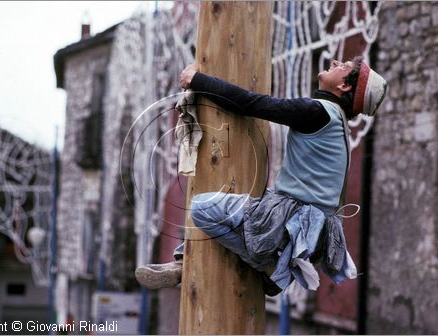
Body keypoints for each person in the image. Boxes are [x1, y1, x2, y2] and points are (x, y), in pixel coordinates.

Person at [135, 56, 387, 296]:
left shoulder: (317, 112)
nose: (335, 62)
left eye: (342, 66)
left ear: (343, 85)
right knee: (235, 211)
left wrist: (197, 79)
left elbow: (250, 104)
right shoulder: (336, 121)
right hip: (310, 226)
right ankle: (183, 260)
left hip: (292, 218)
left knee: (201, 208)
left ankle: (267, 265)